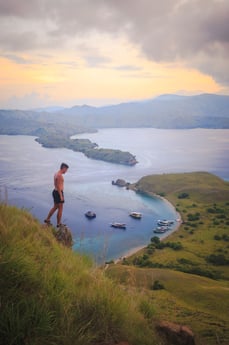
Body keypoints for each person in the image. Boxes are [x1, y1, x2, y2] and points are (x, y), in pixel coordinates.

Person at [44, 162, 69, 227]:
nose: (66, 171)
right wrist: (61, 196)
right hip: (58, 192)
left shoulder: (56, 174)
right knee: (60, 208)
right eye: (66, 169)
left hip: (55, 192)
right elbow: (58, 186)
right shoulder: (60, 175)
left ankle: (47, 219)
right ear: (63, 168)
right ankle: (59, 223)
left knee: (55, 207)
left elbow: (55, 184)